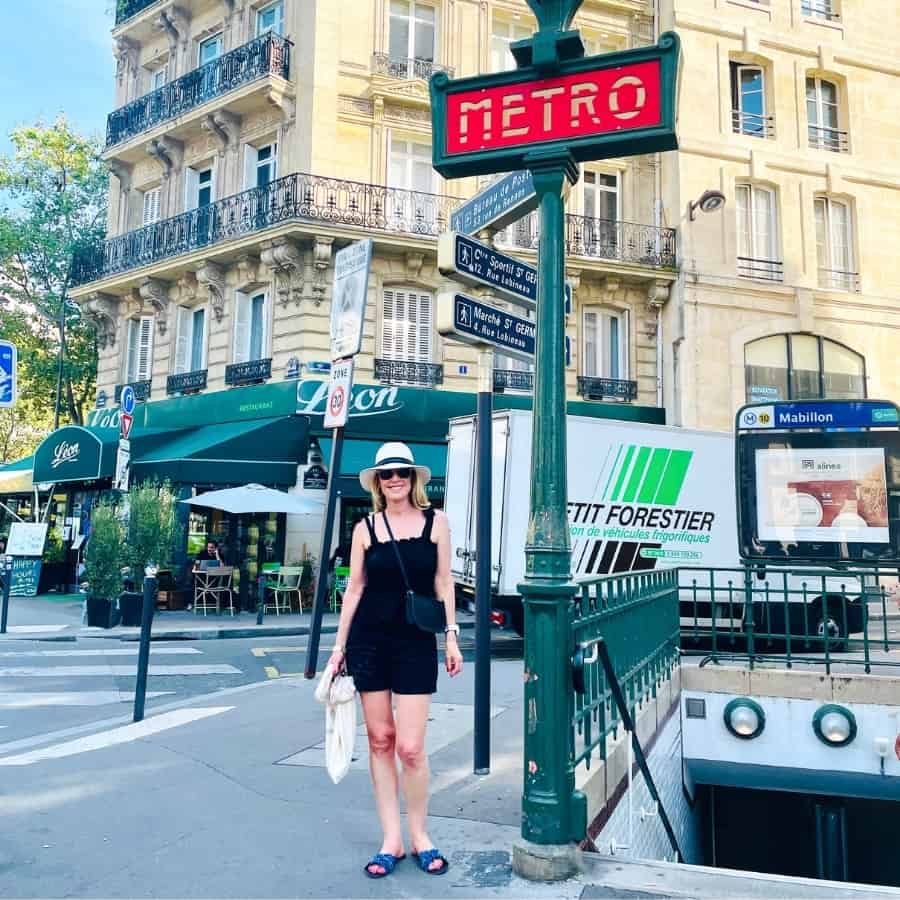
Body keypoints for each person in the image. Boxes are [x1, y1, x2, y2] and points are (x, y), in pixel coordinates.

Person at [327, 442, 463, 879]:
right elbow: (354, 589)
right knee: (381, 741)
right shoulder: (364, 527)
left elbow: (444, 584)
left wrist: (452, 637)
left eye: (402, 472)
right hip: (369, 640)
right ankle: (392, 839)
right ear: (378, 482)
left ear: (415, 478)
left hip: (416, 641)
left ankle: (420, 834)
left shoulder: (436, 522)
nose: (395, 480)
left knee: (411, 747)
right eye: (387, 474)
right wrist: (338, 648)